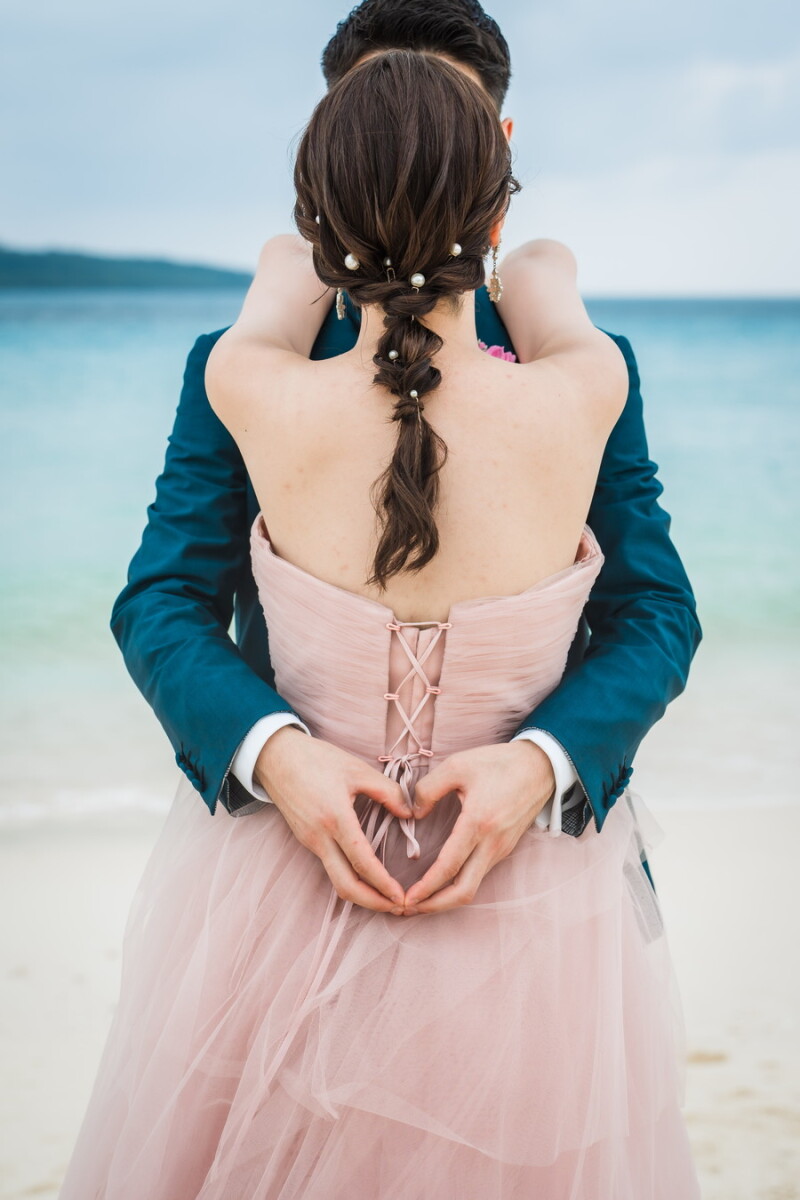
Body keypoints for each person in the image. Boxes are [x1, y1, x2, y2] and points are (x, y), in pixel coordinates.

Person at [58, 45, 701, 1199]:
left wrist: (543, 765)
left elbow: (656, 612)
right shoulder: (581, 379)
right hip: (494, 900)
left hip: (293, 893)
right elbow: (160, 601)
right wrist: (274, 756)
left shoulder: (248, 378)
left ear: (316, 194)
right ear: (500, 178)